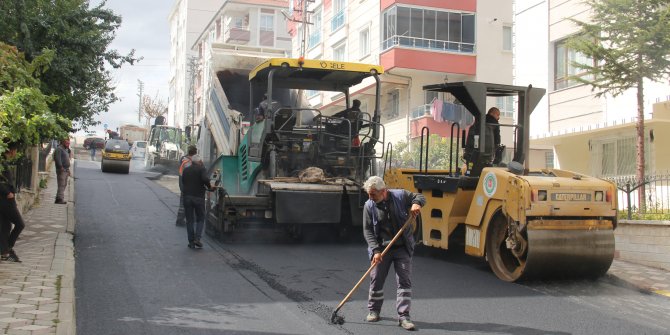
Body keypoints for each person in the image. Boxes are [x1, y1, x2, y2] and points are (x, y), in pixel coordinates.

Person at [362, 176, 425, 331]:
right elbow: (368, 230)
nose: (370, 197)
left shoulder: (401, 196)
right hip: (381, 249)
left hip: (402, 247)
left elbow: (420, 197)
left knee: (404, 282)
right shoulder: (369, 206)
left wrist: (416, 204)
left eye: (373, 194)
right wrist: (376, 251)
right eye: (369, 194)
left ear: (383, 191)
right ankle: (374, 310)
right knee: (376, 279)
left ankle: (404, 316)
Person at [181, 154, 213, 249]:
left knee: (189, 220)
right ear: (199, 162)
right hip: (198, 198)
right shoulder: (201, 169)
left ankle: (191, 242)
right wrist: (209, 186)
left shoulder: (186, 170)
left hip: (187, 198)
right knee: (200, 218)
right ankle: (197, 239)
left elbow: (183, 181)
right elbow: (204, 179)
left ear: (191, 161)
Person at [0, 143, 25, 262]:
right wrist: (6, 192)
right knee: (20, 224)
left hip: (5, 199)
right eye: (15, 150)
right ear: (10, 150)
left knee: (5, 226)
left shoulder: (3, 161)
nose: (15, 153)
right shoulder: (2, 162)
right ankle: (8, 248)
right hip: (5, 200)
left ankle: (5, 252)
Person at [176, 145, 198, 226]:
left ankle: (180, 220)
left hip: (184, 186)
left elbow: (181, 175)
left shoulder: (184, 160)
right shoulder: (188, 162)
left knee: (183, 204)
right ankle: (186, 220)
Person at [53, 138, 71, 204]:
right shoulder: (59, 149)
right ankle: (60, 199)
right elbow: (57, 159)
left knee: (64, 184)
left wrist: (68, 170)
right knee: (61, 184)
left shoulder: (65, 149)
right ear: (63, 142)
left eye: (69, 143)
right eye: (66, 143)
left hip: (66, 170)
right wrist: (60, 167)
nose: (68, 144)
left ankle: (58, 198)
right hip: (61, 170)